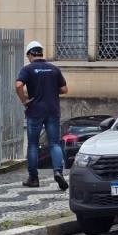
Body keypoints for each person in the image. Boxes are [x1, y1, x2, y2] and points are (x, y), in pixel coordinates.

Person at [15, 41, 69, 190]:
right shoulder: (54, 69)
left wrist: (24, 100)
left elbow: (18, 85)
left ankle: (33, 178)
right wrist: (50, 91)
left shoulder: (28, 69)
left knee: (33, 144)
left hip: (35, 111)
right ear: (41, 53)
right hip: (52, 110)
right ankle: (58, 171)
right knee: (54, 143)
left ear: (30, 54)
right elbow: (64, 89)